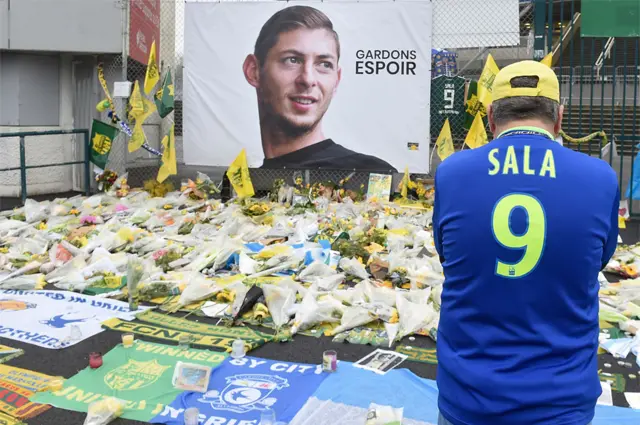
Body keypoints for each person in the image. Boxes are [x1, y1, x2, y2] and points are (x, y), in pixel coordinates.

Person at [432, 60, 619, 425]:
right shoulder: (599, 178)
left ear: (490, 117)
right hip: (561, 401)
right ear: (559, 118)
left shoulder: (452, 172)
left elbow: (447, 254)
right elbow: (597, 260)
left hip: (468, 397)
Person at [242, 5, 396, 172]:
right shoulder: (242, 184)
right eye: (292, 60)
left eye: (324, 64)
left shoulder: (370, 175)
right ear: (254, 71)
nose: (308, 79)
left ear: (336, 80)